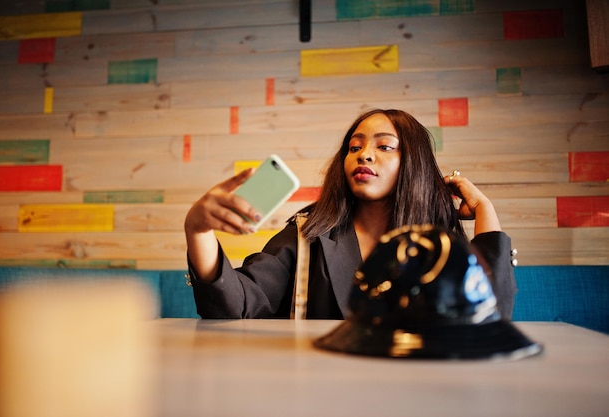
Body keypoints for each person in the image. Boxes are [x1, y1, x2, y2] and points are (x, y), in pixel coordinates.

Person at [184, 109, 517, 319]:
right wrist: (198, 231)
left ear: (414, 164)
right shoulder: (307, 234)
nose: (364, 155)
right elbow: (235, 305)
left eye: (384, 146)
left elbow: (490, 317)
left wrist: (485, 212)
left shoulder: (439, 241)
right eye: (354, 147)